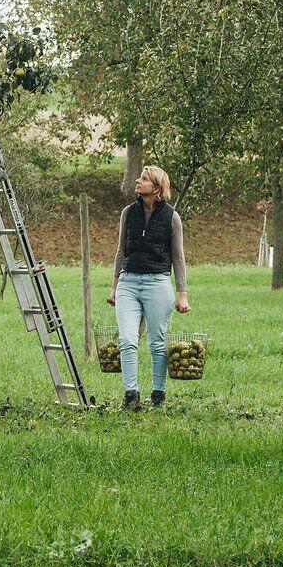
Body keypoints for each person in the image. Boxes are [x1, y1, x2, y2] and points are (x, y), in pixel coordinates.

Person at [106, 165, 190, 410]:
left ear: (156, 188)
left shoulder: (172, 217)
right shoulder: (127, 213)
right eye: (139, 177)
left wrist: (182, 294)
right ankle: (131, 397)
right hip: (128, 282)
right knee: (128, 339)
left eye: (144, 179)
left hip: (158, 283)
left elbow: (178, 257)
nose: (137, 181)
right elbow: (121, 251)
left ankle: (158, 396)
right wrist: (114, 287)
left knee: (156, 341)